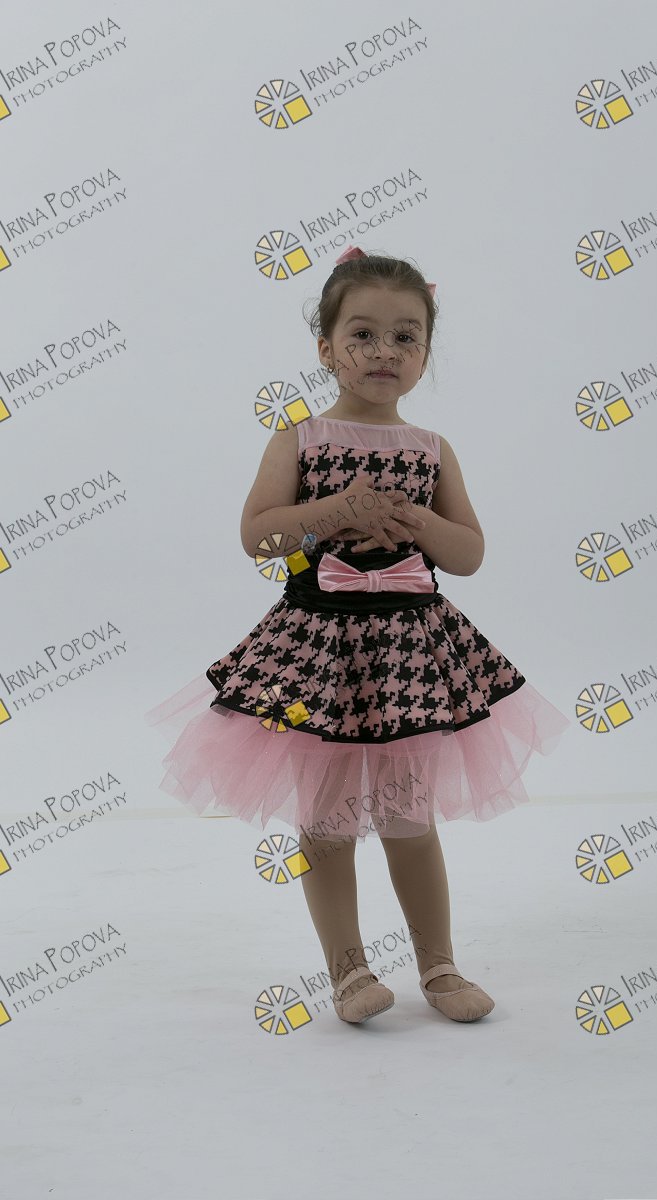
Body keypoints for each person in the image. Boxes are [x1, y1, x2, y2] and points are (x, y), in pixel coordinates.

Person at [145, 245, 570, 1025]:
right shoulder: (300, 440)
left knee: (409, 820)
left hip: (409, 651)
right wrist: (335, 510)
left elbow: (469, 554)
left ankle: (438, 966)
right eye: (363, 334)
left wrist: (420, 524)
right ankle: (349, 972)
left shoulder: (432, 450)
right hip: (321, 651)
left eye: (406, 337)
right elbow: (259, 536)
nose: (385, 351)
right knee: (329, 821)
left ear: (426, 354)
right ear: (326, 348)